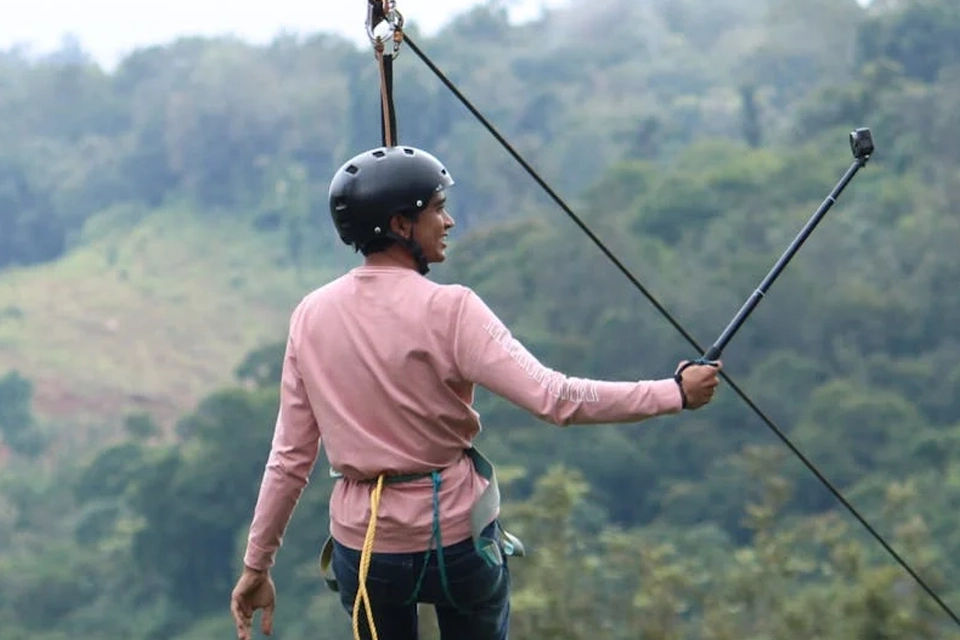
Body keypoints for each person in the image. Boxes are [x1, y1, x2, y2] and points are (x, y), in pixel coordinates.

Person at [229, 145, 721, 640]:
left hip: (368, 547)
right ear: (401, 225)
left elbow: (290, 458)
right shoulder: (451, 309)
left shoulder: (311, 315)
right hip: (455, 542)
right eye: (437, 209)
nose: (449, 222)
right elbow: (556, 398)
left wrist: (257, 566)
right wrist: (674, 392)